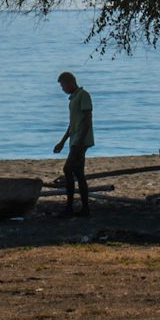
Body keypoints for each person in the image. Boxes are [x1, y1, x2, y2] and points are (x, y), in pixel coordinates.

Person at [53, 71, 94, 217]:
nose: (63, 89)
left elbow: (88, 118)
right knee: (78, 173)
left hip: (81, 141)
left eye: (63, 86)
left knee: (67, 169)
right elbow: (72, 124)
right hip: (75, 140)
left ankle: (69, 207)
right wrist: (62, 142)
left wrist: (81, 140)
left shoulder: (83, 95)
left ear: (70, 82)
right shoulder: (72, 99)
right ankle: (84, 209)